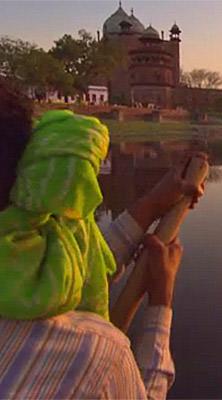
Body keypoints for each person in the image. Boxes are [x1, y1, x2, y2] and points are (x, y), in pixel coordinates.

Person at [0, 78, 206, 399]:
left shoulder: (24, 267)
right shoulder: (94, 357)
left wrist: (152, 204)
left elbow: (71, 265)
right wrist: (160, 303)